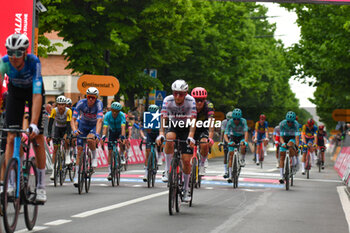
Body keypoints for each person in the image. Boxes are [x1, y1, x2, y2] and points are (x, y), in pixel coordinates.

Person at [0, 33, 47, 202]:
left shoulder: (33, 62)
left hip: (34, 92)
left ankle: (41, 186)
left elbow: (36, 96)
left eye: (18, 53)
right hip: (15, 93)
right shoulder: (4, 62)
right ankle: (11, 183)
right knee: (11, 137)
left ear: (25, 53)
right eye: (10, 52)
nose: (13, 57)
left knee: (38, 138)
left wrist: (34, 124)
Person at [156, 79, 196, 202]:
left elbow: (193, 120)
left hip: (186, 128)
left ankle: (185, 189)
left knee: (186, 161)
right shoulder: (167, 100)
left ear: (186, 93)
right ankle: (168, 170)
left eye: (181, 94)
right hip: (173, 125)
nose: (178, 96)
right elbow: (163, 118)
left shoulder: (191, 101)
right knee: (169, 138)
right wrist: (161, 133)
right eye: (175, 93)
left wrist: (191, 136)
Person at [71, 87, 103, 187]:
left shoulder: (99, 104)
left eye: (93, 98)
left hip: (93, 126)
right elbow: (73, 119)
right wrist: (74, 130)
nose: (91, 100)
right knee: (80, 150)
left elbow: (99, 121)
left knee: (90, 139)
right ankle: (76, 176)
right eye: (89, 97)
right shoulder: (81, 103)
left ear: (96, 98)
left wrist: (97, 134)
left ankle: (94, 157)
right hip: (83, 125)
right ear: (86, 96)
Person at [46, 95, 72, 180]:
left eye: (63, 105)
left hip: (65, 128)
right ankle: (54, 172)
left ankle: (67, 154)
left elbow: (68, 125)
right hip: (57, 128)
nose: (61, 106)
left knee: (66, 139)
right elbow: (50, 124)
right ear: (57, 105)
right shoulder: (54, 111)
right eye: (59, 105)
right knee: (55, 149)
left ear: (65, 105)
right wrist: (49, 134)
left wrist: (68, 135)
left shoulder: (68, 111)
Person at [191, 87, 215, 175]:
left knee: (204, 144)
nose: (199, 102)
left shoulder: (209, 106)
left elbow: (211, 124)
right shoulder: (188, 105)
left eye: (202, 100)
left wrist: (210, 138)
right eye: (197, 100)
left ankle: (202, 163)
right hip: (189, 128)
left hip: (203, 128)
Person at [101, 102, 126, 180]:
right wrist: (103, 137)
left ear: (119, 111)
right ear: (111, 109)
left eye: (117, 111)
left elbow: (123, 127)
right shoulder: (107, 115)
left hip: (119, 131)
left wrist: (122, 137)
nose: (115, 113)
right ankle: (110, 171)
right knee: (110, 151)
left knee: (122, 142)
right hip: (112, 131)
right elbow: (105, 127)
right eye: (114, 110)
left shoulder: (122, 115)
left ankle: (122, 155)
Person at [224, 108, 249, 183]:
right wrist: (228, 142)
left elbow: (246, 132)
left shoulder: (243, 121)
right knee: (231, 155)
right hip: (233, 137)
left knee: (243, 146)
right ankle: (231, 175)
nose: (236, 121)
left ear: (240, 118)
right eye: (234, 119)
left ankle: (242, 159)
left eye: (238, 119)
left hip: (241, 137)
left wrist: (245, 141)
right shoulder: (230, 122)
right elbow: (225, 134)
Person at [278, 111, 300, 184]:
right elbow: (280, 137)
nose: (290, 123)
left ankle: (293, 164)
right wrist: (283, 143)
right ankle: (281, 176)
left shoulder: (296, 124)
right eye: (288, 122)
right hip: (284, 138)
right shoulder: (282, 124)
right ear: (286, 120)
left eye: (291, 122)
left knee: (291, 145)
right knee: (282, 156)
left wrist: (297, 147)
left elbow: (297, 137)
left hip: (292, 138)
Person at [140, 104, 160, 182]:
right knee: (148, 153)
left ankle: (159, 155)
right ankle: (146, 173)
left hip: (158, 133)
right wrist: (143, 137)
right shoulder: (146, 117)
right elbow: (141, 129)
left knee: (160, 143)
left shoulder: (160, 117)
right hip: (150, 135)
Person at [221, 111, 232, 178]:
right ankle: (225, 171)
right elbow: (222, 133)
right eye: (228, 120)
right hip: (226, 137)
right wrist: (221, 142)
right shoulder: (224, 122)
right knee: (225, 154)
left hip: (234, 137)